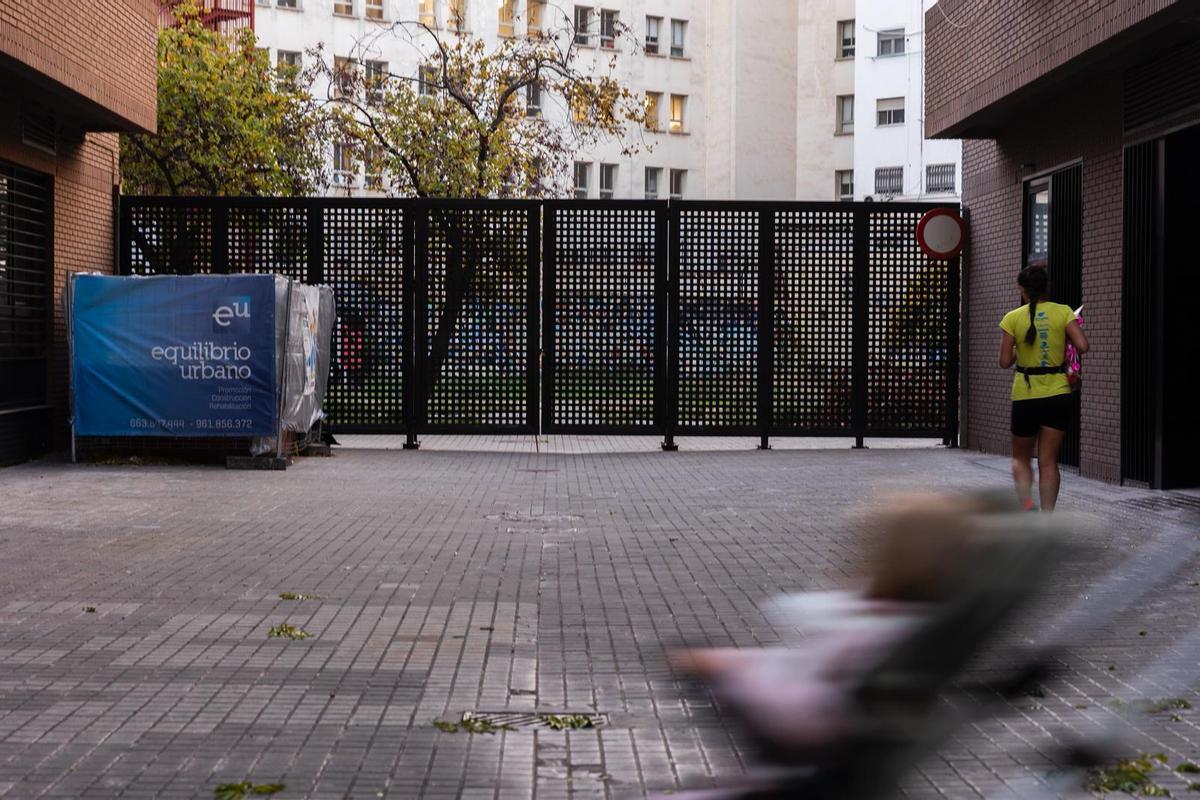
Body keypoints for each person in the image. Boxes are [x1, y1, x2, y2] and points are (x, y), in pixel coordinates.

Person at [998, 267, 1089, 512]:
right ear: (1046, 288)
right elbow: (1083, 345)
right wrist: (1062, 341)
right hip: (1058, 393)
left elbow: (1005, 361)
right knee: (1048, 461)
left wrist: (1022, 349)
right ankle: (1048, 518)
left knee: (1021, 458)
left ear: (1022, 290)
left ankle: (1028, 505)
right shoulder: (1063, 312)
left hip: (1025, 395)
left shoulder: (1012, 318)